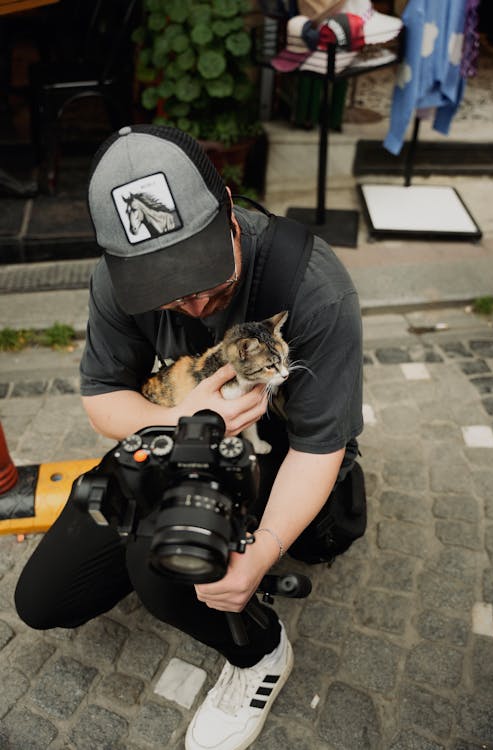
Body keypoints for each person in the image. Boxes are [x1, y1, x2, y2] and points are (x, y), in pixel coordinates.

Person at [15, 124, 363, 750]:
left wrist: (263, 552)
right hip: (179, 431)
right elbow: (102, 400)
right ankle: (156, 554)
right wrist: (182, 425)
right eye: (169, 293)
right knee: (44, 602)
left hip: (278, 456)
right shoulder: (114, 283)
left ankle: (261, 654)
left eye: (211, 279)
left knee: (167, 563)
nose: (199, 303)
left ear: (229, 210)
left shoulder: (315, 289)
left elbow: (317, 448)